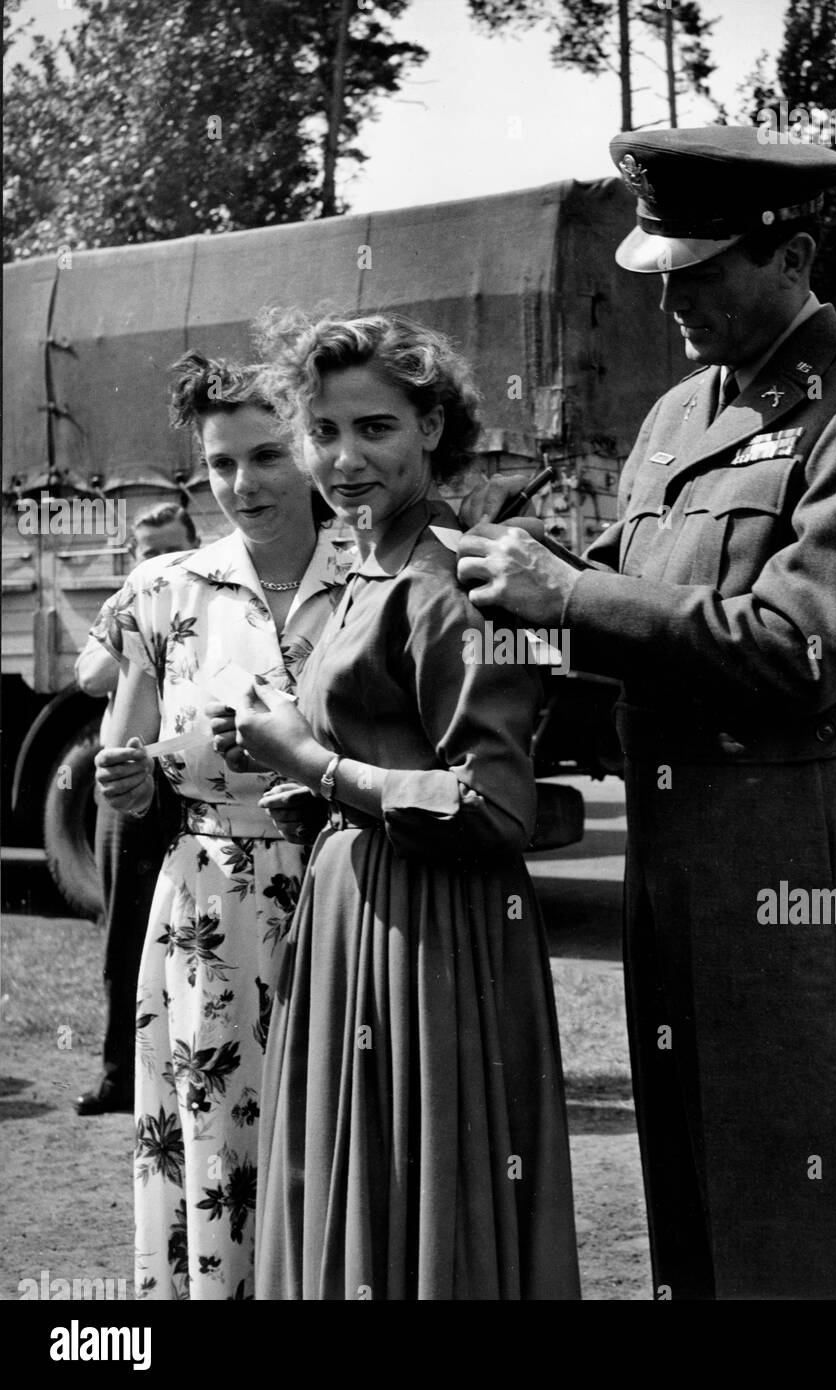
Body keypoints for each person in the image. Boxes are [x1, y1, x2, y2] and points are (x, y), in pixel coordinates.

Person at [455, 127, 836, 1300]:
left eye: (701, 267)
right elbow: (627, 603)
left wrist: (570, 590)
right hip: (672, 844)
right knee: (687, 1177)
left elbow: (796, 651)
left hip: (784, 843)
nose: (669, 294)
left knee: (786, 1187)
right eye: (659, 268)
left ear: (793, 256)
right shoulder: (679, 413)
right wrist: (503, 584)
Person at [213, 310, 580, 1300]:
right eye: (322, 432)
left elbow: (494, 805)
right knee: (359, 1197)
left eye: (373, 428)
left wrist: (317, 766)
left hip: (431, 940)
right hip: (355, 918)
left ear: (431, 428)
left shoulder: (450, 576)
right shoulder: (366, 563)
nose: (342, 457)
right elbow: (387, 752)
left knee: (424, 1206)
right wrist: (310, 782)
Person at [92, 352, 349, 1299]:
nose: (244, 484)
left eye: (269, 455)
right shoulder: (163, 590)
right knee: (219, 1143)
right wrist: (128, 781)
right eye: (221, 463)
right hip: (210, 910)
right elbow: (131, 749)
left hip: (350, 895)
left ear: (313, 450)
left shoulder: (376, 572)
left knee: (335, 1135)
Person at [74, 505, 199, 1117]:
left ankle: (183, 1070)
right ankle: (119, 1075)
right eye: (147, 550)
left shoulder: (208, 599)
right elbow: (88, 677)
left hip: (181, 780)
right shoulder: (132, 599)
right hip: (126, 785)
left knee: (191, 931)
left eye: (171, 548)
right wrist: (136, 611)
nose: (159, 560)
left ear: (195, 545)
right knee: (124, 933)